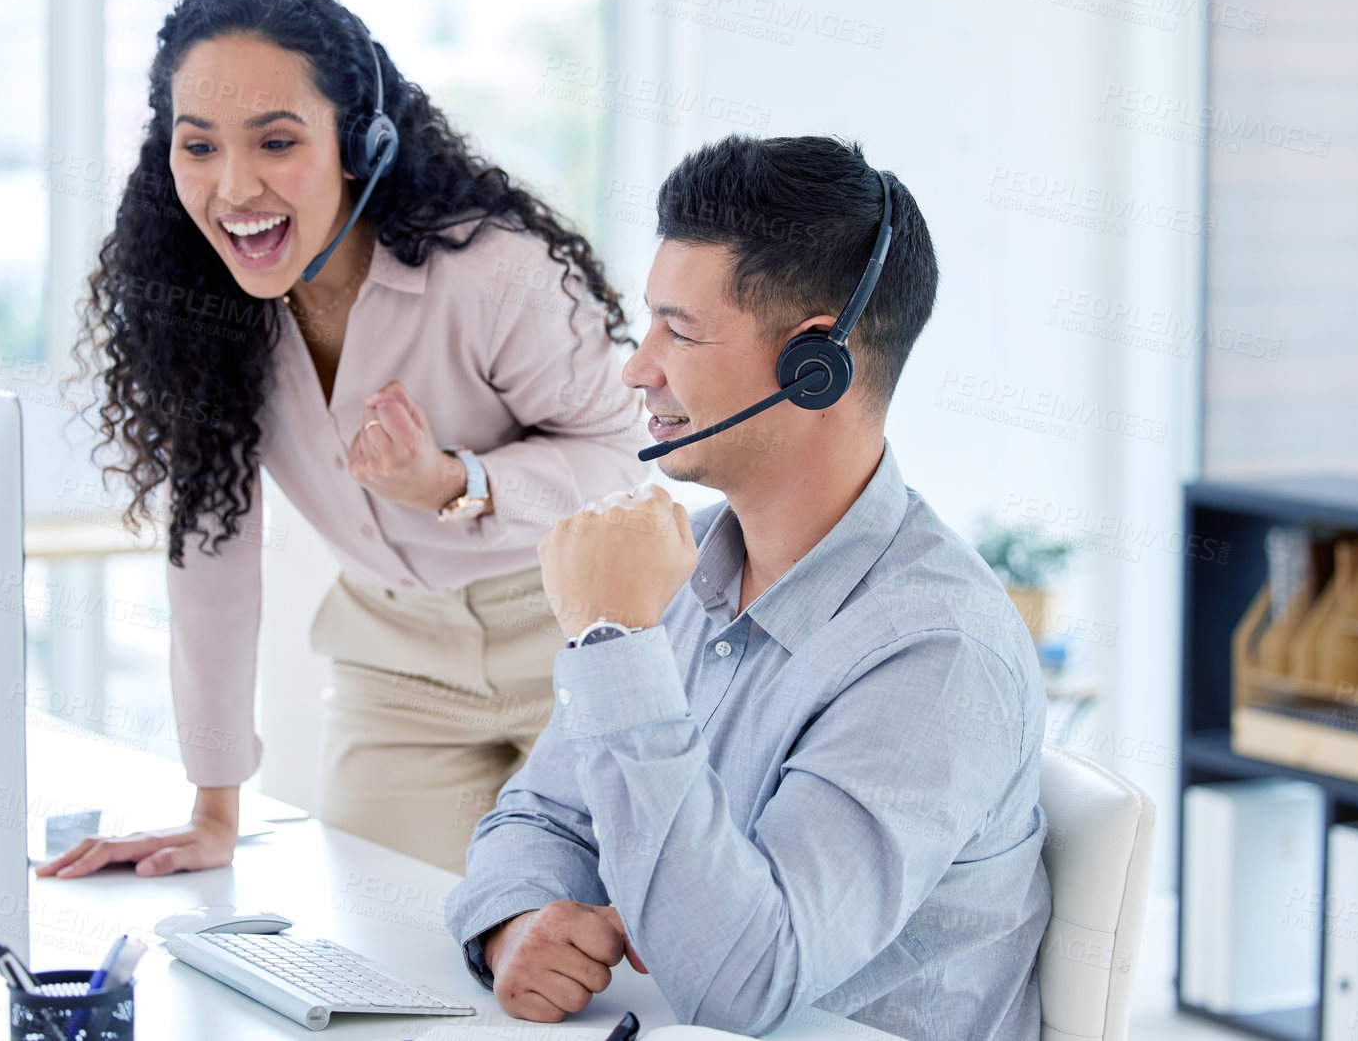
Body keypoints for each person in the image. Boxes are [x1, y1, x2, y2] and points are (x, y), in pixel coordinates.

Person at [443, 135, 1052, 1041]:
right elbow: (541, 817)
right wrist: (518, 921)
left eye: (678, 331)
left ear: (816, 366)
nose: (636, 367)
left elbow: (744, 989)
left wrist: (614, 641)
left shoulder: (935, 651)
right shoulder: (677, 568)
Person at [41, 0, 647, 878]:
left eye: (276, 142)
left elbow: (623, 461)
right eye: (198, 146)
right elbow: (211, 564)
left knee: (573, 961)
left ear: (362, 142)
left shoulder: (491, 275)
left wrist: (456, 482)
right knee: (390, 957)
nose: (233, 186)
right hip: (394, 661)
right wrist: (213, 808)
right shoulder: (202, 307)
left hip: (572, 632)